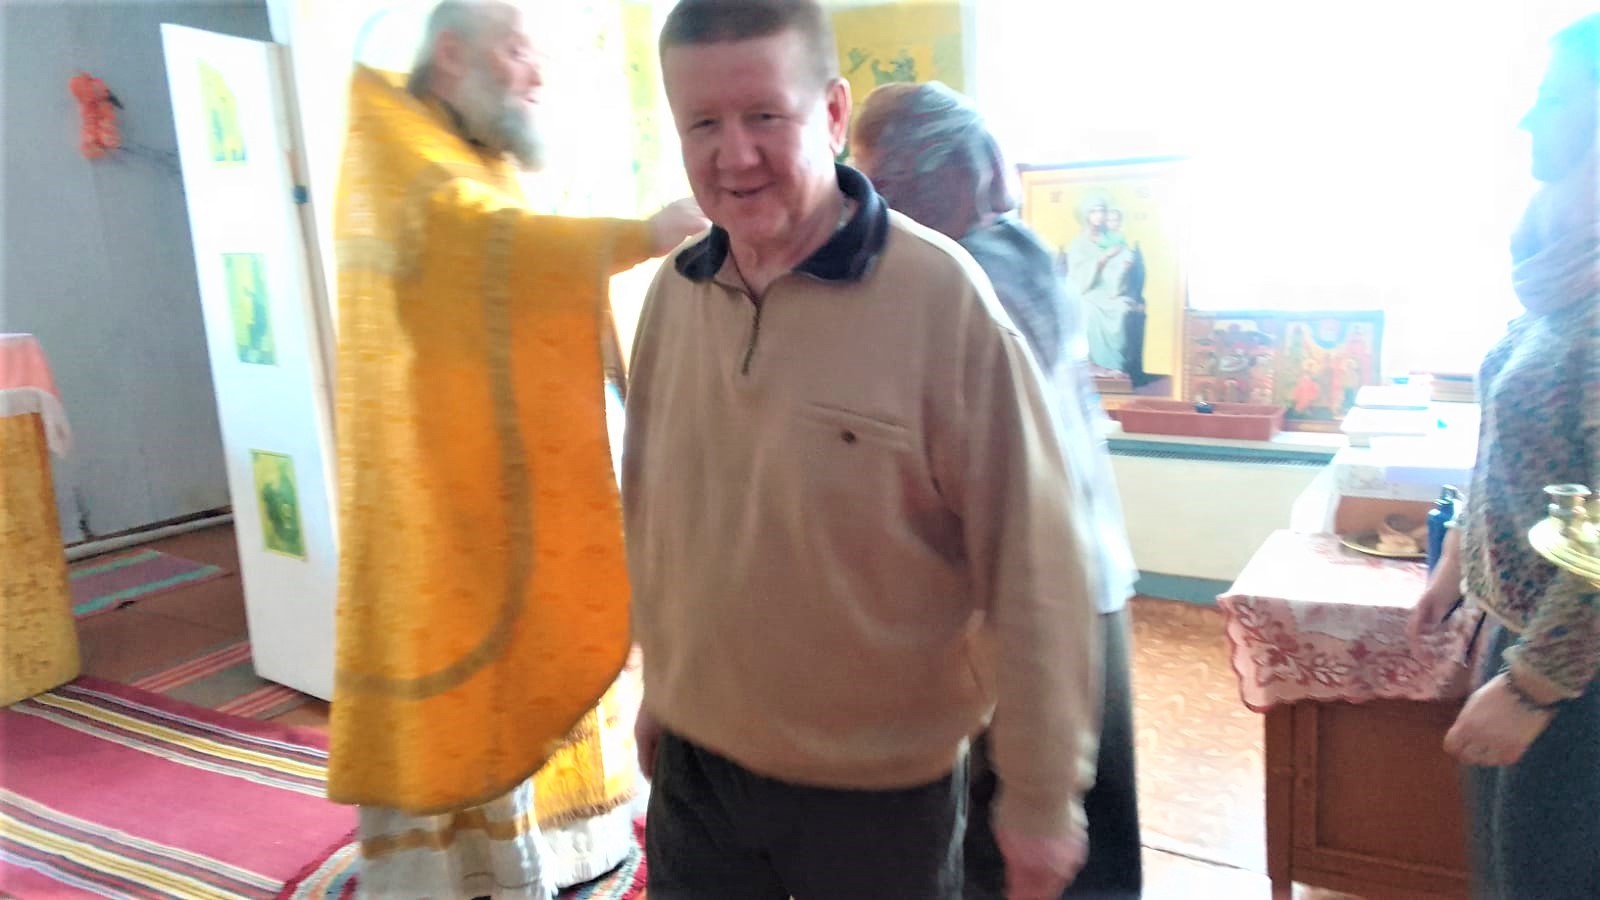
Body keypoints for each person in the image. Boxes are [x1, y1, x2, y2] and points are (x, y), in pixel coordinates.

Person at [622, 2, 1104, 898]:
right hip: (698, 768)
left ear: (834, 114)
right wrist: (662, 688)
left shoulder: (942, 301)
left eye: (765, 115)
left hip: (878, 794)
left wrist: (1043, 797)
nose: (735, 155)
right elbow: (658, 514)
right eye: (703, 124)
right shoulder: (673, 296)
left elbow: (1033, 563)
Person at [325, 2, 706, 897]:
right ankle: (457, 869)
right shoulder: (397, 146)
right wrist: (639, 236)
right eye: (517, 51)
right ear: (453, 56)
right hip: (442, 480)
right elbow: (483, 245)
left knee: (542, 614)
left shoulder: (475, 152)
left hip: (501, 461)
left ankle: (565, 841)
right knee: (475, 657)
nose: (536, 74)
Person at [852, 80, 1144, 900]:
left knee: (1032, 827)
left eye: (887, 184)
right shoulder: (998, 249)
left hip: (1034, 593)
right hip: (1063, 580)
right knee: (1061, 823)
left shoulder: (977, 273)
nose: (875, 206)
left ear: (953, 177)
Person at [1407, 13, 1600, 899]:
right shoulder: (1563, 271)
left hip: (1576, 669)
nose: (1528, 119)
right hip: (1529, 631)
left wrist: (1534, 686)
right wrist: (1458, 557)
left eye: (1553, 98)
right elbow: (1518, 446)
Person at [1064, 191, 1138, 374]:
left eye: (1102, 211)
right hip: (1088, 291)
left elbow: (1123, 259)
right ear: (1086, 215)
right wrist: (1102, 258)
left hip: (1112, 290)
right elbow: (1076, 277)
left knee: (1121, 309)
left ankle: (1115, 367)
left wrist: (1126, 265)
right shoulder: (1078, 243)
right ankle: (1095, 367)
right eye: (1094, 211)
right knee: (1088, 311)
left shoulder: (1111, 238)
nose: (1098, 215)